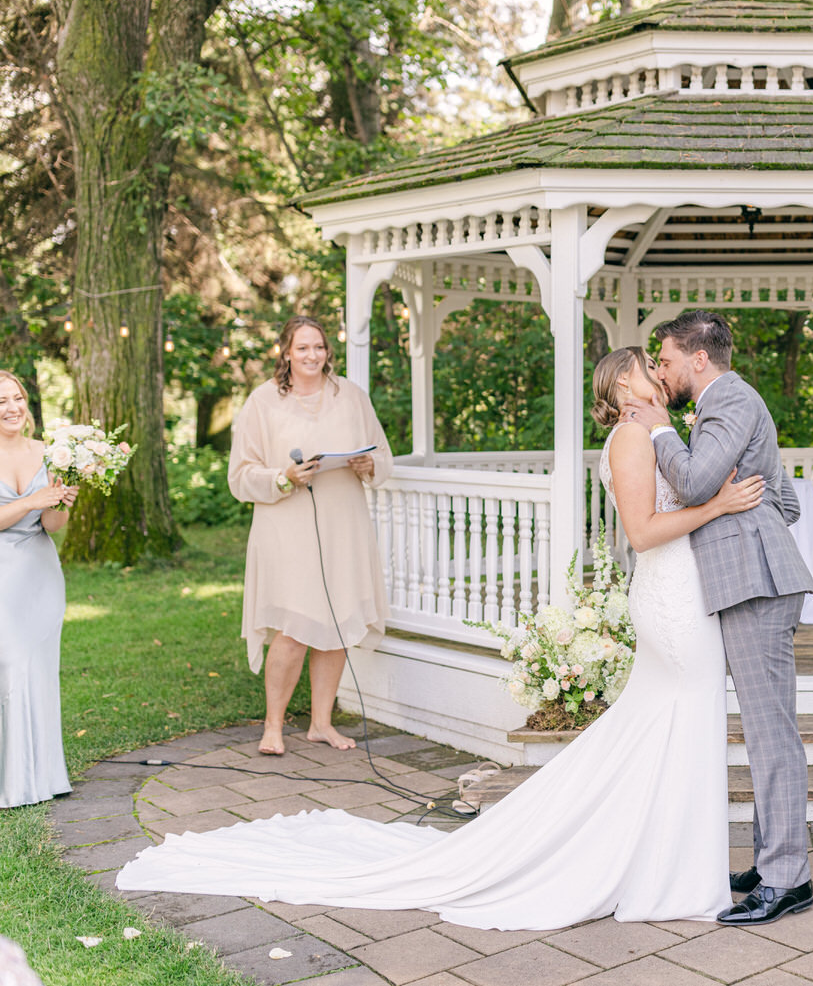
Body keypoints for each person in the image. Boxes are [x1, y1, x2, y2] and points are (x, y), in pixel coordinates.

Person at [117, 347, 766, 930]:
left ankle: (668, 864)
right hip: (672, 600)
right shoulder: (633, 437)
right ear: (624, 385)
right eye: (646, 367)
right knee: (678, 716)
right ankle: (664, 870)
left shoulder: (656, 430)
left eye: (662, 364)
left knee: (672, 723)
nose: (660, 372)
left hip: (686, 593)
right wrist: (719, 506)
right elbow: (645, 530)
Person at [625, 309, 813, 926]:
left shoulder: (727, 400)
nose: (661, 370)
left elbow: (693, 482)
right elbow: (783, 499)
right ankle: (771, 863)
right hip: (752, 577)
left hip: (757, 587)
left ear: (698, 358)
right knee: (766, 728)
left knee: (770, 732)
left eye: (666, 359)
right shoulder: (728, 403)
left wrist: (660, 430)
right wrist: (746, 516)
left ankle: (788, 878)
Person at [228, 316, 394, 755]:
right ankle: (273, 727)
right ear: (285, 352)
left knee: (337, 622)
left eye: (318, 347)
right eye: (302, 348)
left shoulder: (351, 396)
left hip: (344, 522)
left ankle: (321, 723)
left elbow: (382, 454)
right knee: (294, 625)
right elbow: (240, 475)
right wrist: (283, 478)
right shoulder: (262, 402)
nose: (312, 356)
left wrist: (368, 466)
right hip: (286, 526)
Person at [0, 370, 78, 809]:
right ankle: (11, 780)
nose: (12, 408)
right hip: (1, 573)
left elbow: (50, 525)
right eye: (1, 401)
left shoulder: (50, 453)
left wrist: (62, 503)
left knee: (37, 670)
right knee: (9, 664)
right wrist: (30, 500)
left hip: (40, 571)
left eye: (17, 398)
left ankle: (43, 775)